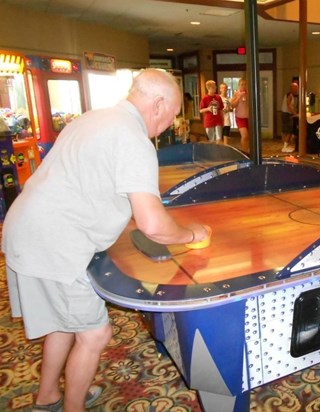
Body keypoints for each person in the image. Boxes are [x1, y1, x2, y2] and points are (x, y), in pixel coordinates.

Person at [1, 68, 211, 412]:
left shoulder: (95, 118)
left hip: (26, 229)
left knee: (65, 322)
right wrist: (192, 235)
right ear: (157, 104)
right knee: (95, 334)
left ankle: (47, 397)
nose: (170, 125)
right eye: (172, 116)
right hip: (53, 242)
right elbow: (153, 226)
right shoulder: (133, 138)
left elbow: (95, 183)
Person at [230, 78, 249, 153]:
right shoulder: (236, 93)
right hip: (240, 118)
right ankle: (244, 152)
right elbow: (232, 105)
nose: (244, 86)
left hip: (249, 118)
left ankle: (247, 151)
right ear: (239, 85)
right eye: (242, 84)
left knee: (248, 137)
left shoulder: (249, 93)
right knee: (244, 136)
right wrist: (239, 97)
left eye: (245, 84)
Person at [281, 81, 298, 153]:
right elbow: (289, 105)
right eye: (296, 88)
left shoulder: (289, 95)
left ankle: (285, 145)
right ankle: (284, 147)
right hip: (286, 114)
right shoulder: (290, 95)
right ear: (292, 88)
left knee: (286, 130)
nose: (297, 90)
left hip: (285, 114)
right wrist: (295, 114)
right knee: (289, 131)